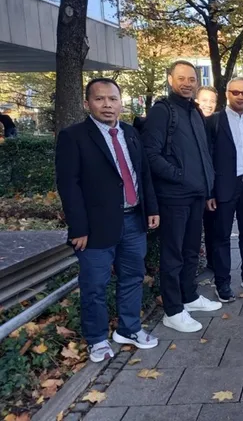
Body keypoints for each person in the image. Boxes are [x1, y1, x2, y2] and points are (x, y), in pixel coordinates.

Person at [55, 78, 160, 362]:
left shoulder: (130, 133)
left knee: (132, 277)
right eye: (100, 99)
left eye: (112, 99)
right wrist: (78, 228)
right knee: (95, 285)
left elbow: (143, 174)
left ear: (120, 102)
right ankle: (98, 339)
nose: (107, 105)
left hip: (133, 222)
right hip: (95, 227)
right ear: (86, 103)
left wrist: (151, 208)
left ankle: (129, 329)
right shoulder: (73, 136)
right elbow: (69, 185)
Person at [141, 60, 222, 334]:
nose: (187, 83)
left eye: (192, 79)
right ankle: (173, 311)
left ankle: (189, 296)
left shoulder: (195, 112)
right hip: (174, 196)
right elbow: (149, 154)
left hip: (196, 195)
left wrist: (207, 188)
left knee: (190, 251)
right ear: (170, 79)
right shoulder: (162, 112)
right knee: (173, 253)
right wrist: (179, 176)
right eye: (182, 78)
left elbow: (204, 154)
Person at [206, 77, 243, 302]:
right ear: (227, 94)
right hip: (223, 186)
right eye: (235, 92)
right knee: (221, 236)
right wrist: (209, 192)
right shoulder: (214, 121)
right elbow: (207, 158)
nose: (240, 96)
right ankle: (222, 282)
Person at [195, 86, 219, 273]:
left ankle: (211, 259)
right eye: (204, 100)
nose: (208, 105)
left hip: (211, 183)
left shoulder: (217, 122)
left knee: (211, 224)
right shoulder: (190, 120)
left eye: (212, 101)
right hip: (193, 183)